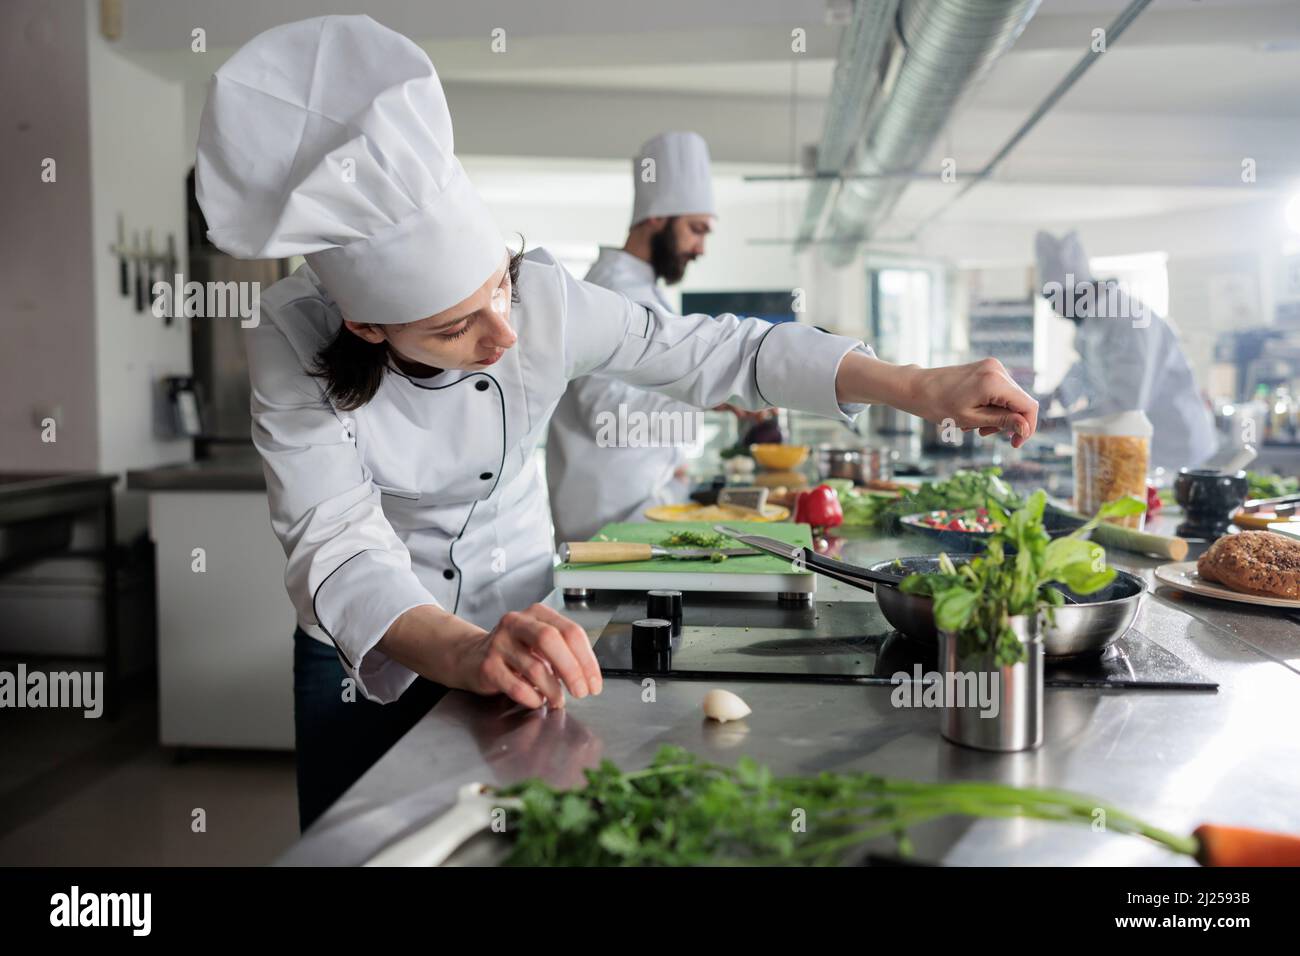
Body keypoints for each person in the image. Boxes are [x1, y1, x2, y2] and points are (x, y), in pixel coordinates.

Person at [196, 15, 1039, 829]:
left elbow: (719, 352)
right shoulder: (289, 340)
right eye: (454, 327)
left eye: (498, 284)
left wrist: (917, 384)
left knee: (522, 841)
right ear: (367, 326)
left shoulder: (547, 299)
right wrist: (459, 651)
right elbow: (337, 542)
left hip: (530, 618)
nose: (505, 332)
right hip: (368, 641)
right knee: (360, 849)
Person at [547, 131, 743, 543]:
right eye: (696, 229)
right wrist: (708, 395)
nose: (701, 247)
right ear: (657, 219)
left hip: (638, 503)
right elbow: (605, 415)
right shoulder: (609, 291)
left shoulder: (645, 289)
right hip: (606, 518)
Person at [1035, 231, 1218, 471]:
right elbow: (1085, 371)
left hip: (1175, 448)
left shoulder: (1129, 321)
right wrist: (1054, 396)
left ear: (1077, 291)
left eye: (1055, 300)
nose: (1056, 311)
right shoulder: (1092, 324)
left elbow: (1126, 407)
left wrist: (1050, 426)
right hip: (1140, 445)